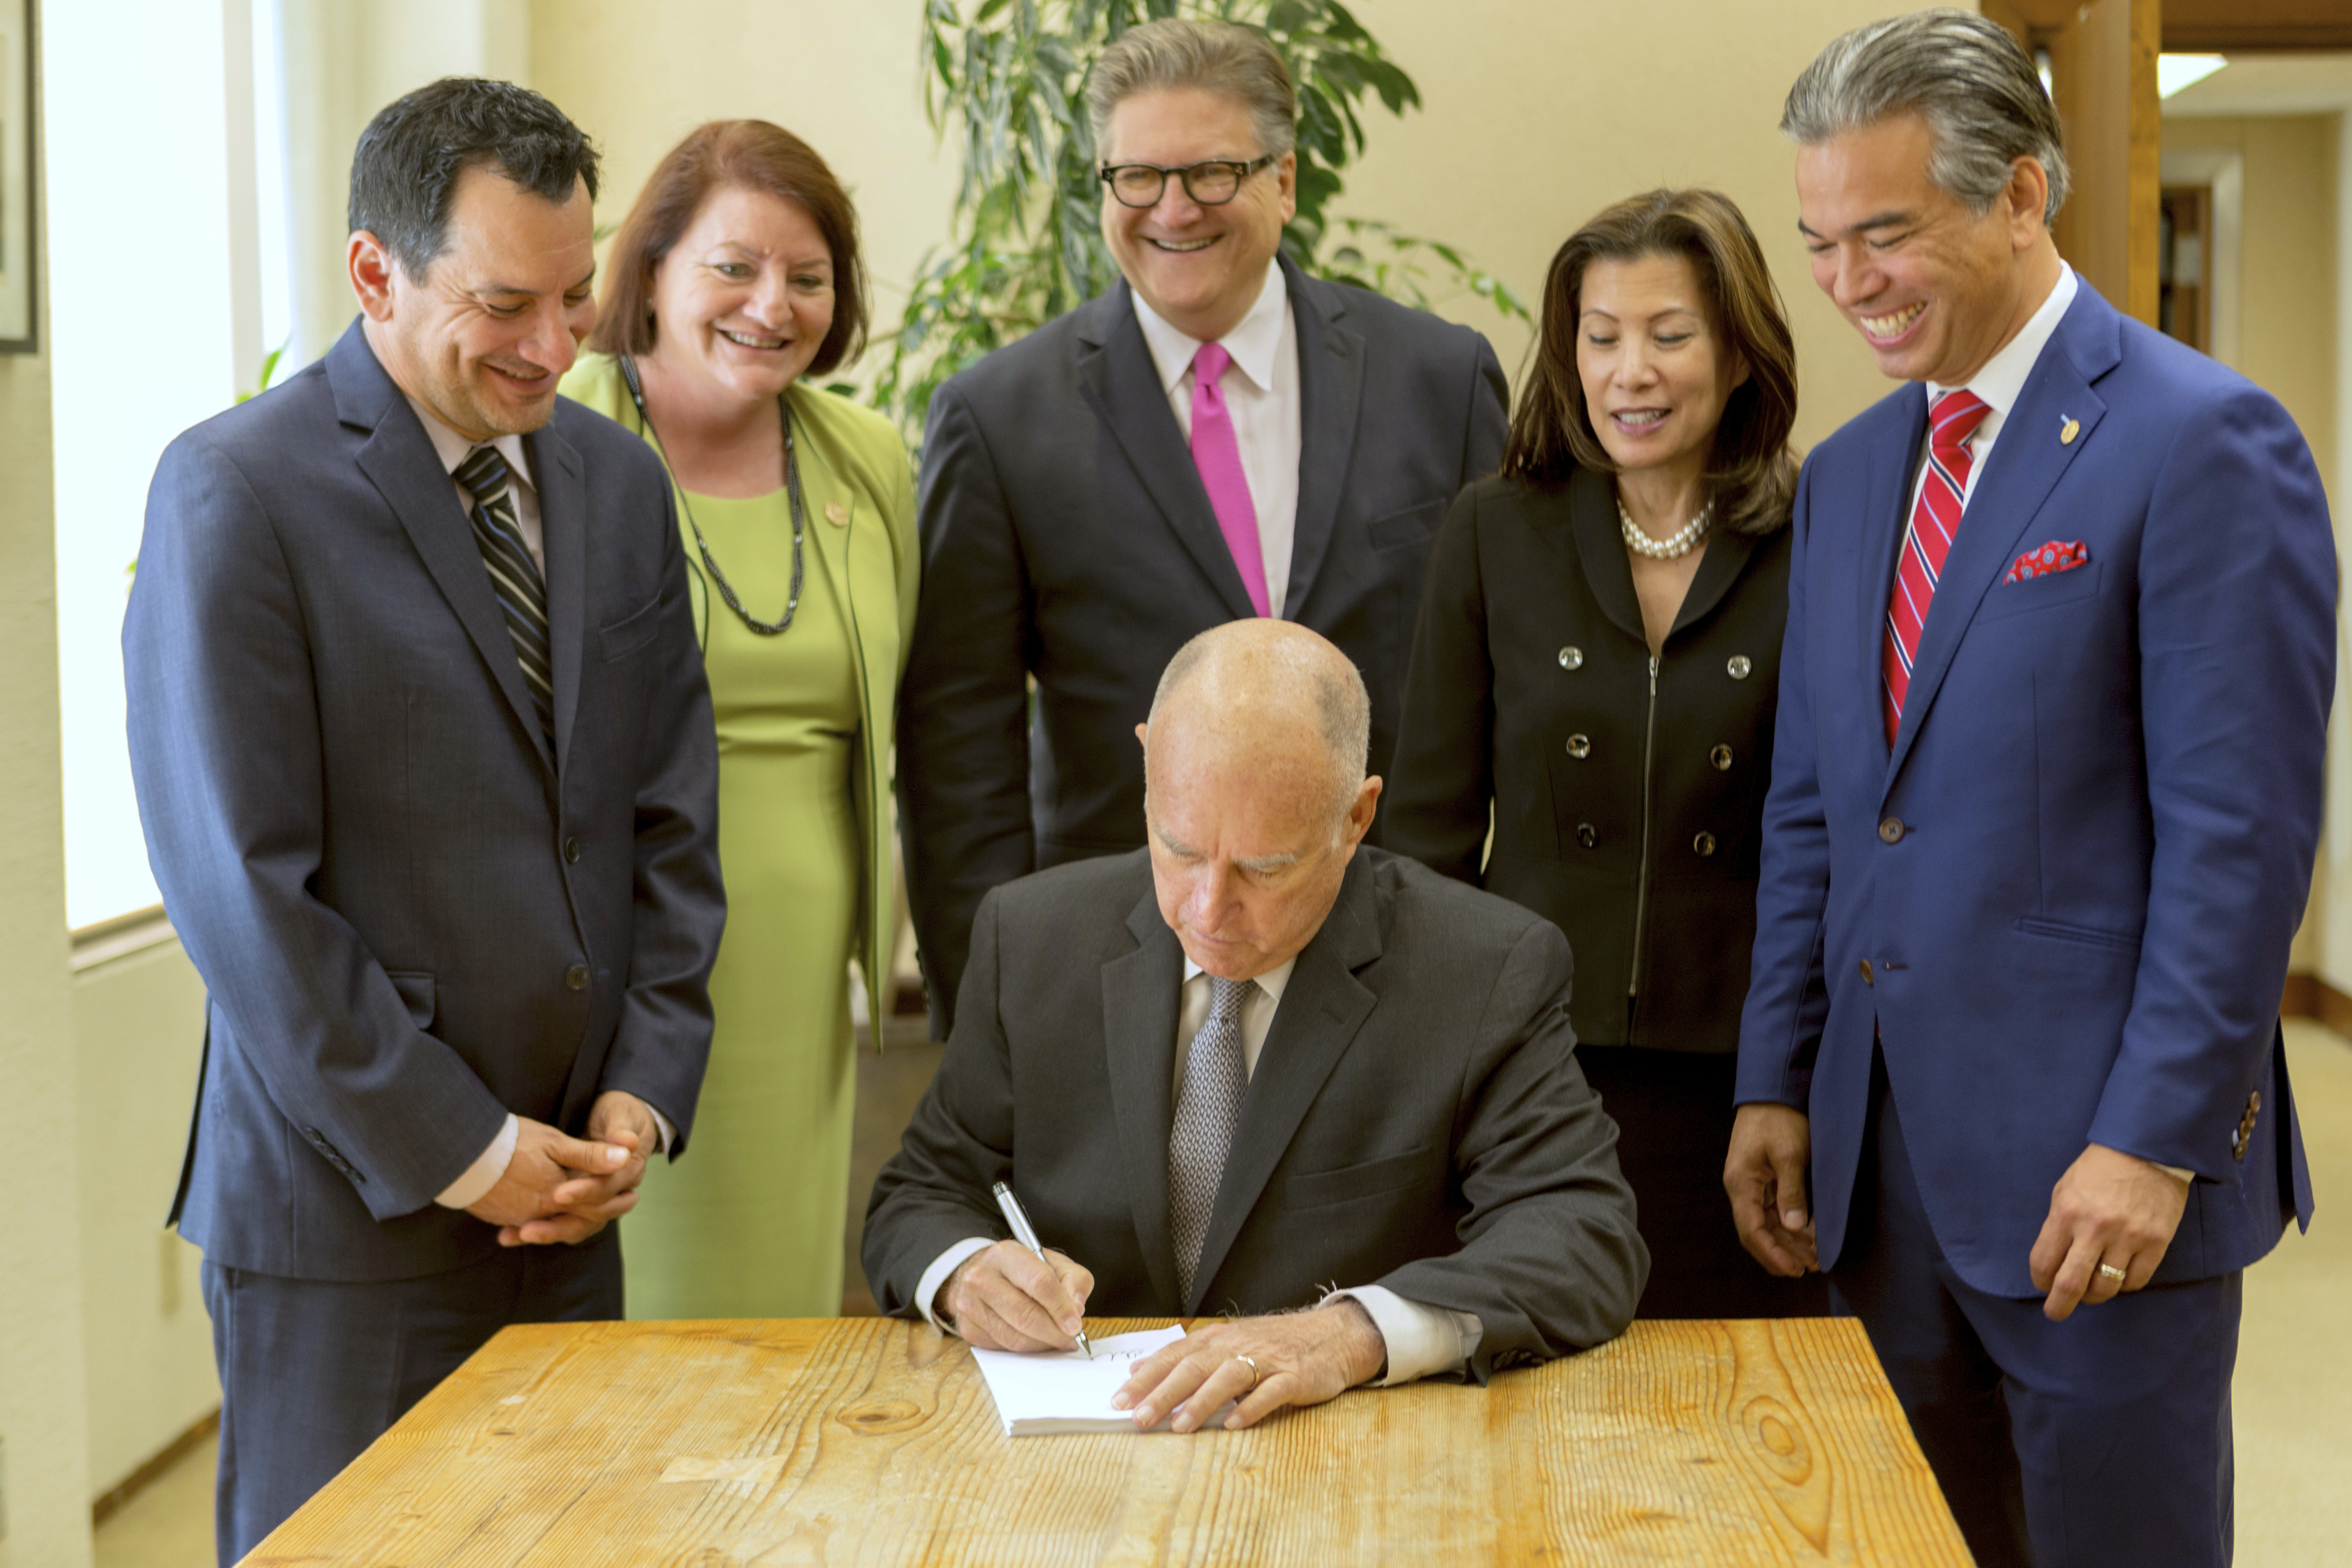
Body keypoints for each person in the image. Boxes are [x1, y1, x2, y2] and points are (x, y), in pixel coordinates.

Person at [1726, 14, 2330, 1566]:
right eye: (1819, 242)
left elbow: (2236, 841)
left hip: (2094, 1184)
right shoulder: (1854, 472)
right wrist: (1773, 1080)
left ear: (2020, 195)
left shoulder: (2201, 440)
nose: (1848, 281)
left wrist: (2152, 1141)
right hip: (1881, 1172)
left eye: (1884, 234)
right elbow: (1816, 810)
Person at [125, 79, 725, 1563]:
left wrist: (635, 1100)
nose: (551, 345)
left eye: (577, 296)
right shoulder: (235, 493)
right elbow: (245, 898)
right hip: (351, 1221)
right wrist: (463, 1146)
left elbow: (669, 824)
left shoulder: (618, 486)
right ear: (374, 273)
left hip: (577, 1205)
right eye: (505, 302)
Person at [865, 620, 1645, 1431]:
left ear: (1357, 816)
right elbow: (921, 1194)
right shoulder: (1029, 936)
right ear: (1145, 769)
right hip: (1080, 1461)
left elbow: (1583, 1234)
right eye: (1179, 848)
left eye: (1264, 868)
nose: (1207, 909)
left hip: (1359, 1460)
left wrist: (1348, 1335)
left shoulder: (1484, 969)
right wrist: (967, 1272)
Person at [897, 17, 1509, 1038]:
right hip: (1118, 975)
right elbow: (960, 754)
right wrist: (989, 1020)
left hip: (1402, 967)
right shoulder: (999, 418)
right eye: (1135, 176)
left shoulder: (1437, 382)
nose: (1170, 210)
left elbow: (1506, 684)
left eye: (1212, 174)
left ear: (1284, 181)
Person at [1386, 189, 1823, 1320]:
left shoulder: (1821, 533)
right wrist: (1433, 1069)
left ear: (1737, 354)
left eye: (1668, 335)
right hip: (1530, 1064)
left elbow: (1828, 837)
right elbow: (1426, 830)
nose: (1630, 370)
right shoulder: (1495, 528)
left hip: (1744, 1068)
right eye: (1601, 335)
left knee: (1727, 1406)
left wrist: (1791, 1074)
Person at [561, 121, 918, 1320]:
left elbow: (904, 707)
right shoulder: (552, 439)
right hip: (598, 946)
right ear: (649, 269)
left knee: (771, 1309)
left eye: (808, 278)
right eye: (734, 266)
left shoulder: (867, 463)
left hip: (800, 950)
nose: (773, 305)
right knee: (619, 1312)